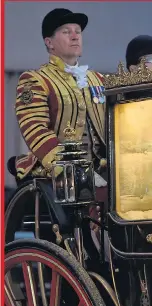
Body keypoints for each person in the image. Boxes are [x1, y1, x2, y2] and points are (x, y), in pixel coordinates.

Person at [14, 8, 107, 234]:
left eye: (77, 31)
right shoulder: (36, 80)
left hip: (103, 169)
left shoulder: (98, 79)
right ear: (49, 42)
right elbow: (35, 129)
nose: (75, 36)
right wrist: (75, 169)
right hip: (60, 173)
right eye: (66, 32)